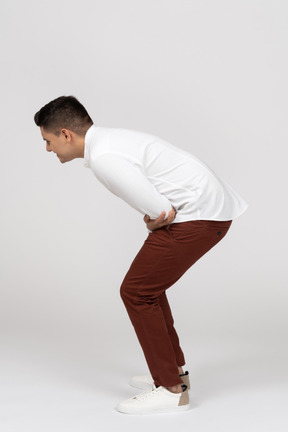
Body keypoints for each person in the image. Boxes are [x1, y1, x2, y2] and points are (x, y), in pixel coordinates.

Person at [34, 95, 248, 415]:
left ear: (66, 134)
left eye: (48, 141)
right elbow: (158, 207)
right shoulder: (111, 140)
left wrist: (153, 218)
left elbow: (161, 210)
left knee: (136, 292)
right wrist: (153, 217)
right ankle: (174, 372)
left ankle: (171, 390)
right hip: (211, 211)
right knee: (146, 289)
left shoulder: (105, 157)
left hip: (201, 217)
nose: (48, 149)